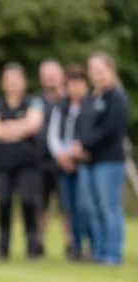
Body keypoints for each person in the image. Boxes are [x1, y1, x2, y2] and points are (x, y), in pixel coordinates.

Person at [0, 62, 46, 260]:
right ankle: (3, 248)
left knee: (29, 202)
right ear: (3, 83)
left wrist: (5, 128)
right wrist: (19, 129)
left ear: (24, 82)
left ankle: (32, 246)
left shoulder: (33, 102)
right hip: (2, 164)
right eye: (9, 80)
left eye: (17, 80)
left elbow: (33, 125)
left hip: (28, 163)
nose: (13, 84)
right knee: (4, 202)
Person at [72, 51, 129, 266]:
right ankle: (98, 251)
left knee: (109, 207)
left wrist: (86, 146)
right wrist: (77, 144)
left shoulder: (117, 98)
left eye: (100, 70)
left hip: (109, 161)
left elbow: (111, 130)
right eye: (93, 71)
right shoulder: (89, 98)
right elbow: (81, 125)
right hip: (88, 162)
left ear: (110, 71)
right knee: (91, 208)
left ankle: (112, 254)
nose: (97, 75)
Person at [46, 64, 90, 260]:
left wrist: (78, 153)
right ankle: (75, 246)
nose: (74, 88)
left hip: (85, 162)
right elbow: (53, 134)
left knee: (84, 206)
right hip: (64, 162)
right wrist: (61, 155)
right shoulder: (61, 107)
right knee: (69, 207)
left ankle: (92, 244)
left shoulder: (90, 106)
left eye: (78, 83)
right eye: (70, 84)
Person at [36, 59, 67, 257]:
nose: (49, 79)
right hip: (41, 160)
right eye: (45, 75)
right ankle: (39, 244)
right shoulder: (37, 101)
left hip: (65, 160)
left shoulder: (70, 99)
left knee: (67, 206)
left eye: (53, 74)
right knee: (41, 205)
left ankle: (72, 243)